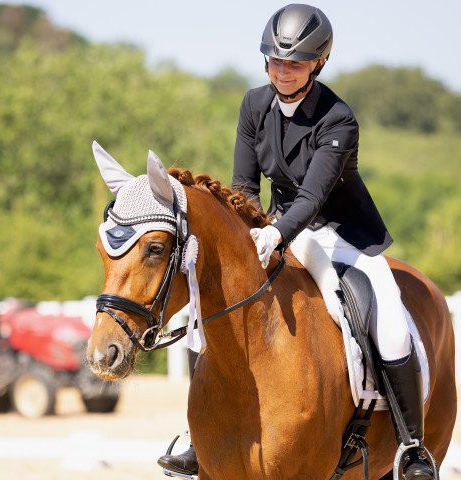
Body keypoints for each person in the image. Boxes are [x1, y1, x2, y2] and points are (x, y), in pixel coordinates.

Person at [160, 4, 434, 479]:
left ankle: (411, 446)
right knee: (203, 309)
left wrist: (275, 234)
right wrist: (247, 234)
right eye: (275, 61)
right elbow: (243, 187)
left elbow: (313, 196)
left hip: (340, 234)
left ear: (318, 64)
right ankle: (195, 432)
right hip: (274, 227)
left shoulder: (338, 119)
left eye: (295, 63)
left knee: (388, 318)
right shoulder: (252, 104)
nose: (283, 71)